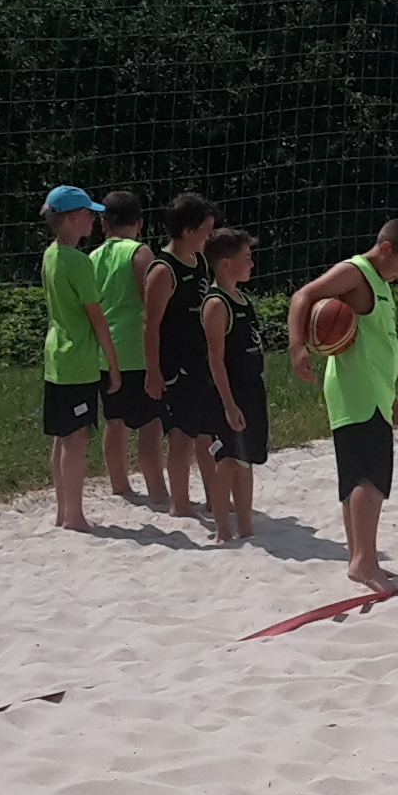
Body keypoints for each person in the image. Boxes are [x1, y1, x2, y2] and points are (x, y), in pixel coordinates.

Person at [288, 217, 398, 592]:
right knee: (370, 477)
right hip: (356, 390)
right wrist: (297, 346)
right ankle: (365, 562)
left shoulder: (379, 282)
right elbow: (303, 296)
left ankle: (359, 558)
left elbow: (377, 344)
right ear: (386, 249)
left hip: (371, 391)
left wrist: (391, 394)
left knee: (356, 475)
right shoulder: (356, 271)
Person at [37, 185, 122, 530]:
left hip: (56, 355)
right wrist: (113, 365)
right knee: (77, 438)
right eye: (89, 213)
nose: (94, 219)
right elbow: (97, 319)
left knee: (63, 436)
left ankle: (64, 512)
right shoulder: (78, 261)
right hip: (79, 358)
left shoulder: (50, 254)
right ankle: (74, 516)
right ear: (73, 217)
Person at [149, 190, 220, 519]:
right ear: (188, 230)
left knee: (206, 432)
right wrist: (153, 371)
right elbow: (150, 326)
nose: (210, 235)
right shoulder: (163, 270)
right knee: (182, 433)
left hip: (200, 358)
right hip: (176, 363)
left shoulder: (199, 260)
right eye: (206, 229)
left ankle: (213, 498)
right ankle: (179, 503)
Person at [198, 225, 269, 545]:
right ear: (226, 263)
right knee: (226, 460)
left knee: (245, 459)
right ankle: (223, 530)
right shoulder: (216, 304)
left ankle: (246, 525)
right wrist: (228, 405)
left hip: (251, 390)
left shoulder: (241, 298)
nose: (252, 263)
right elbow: (215, 360)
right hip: (229, 394)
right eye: (247, 257)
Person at [92, 189, 161, 501]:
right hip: (136, 348)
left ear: (103, 224)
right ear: (140, 223)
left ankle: (119, 484)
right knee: (151, 422)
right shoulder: (140, 253)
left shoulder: (92, 258)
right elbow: (153, 301)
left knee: (114, 419)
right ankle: (157, 488)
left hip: (105, 351)